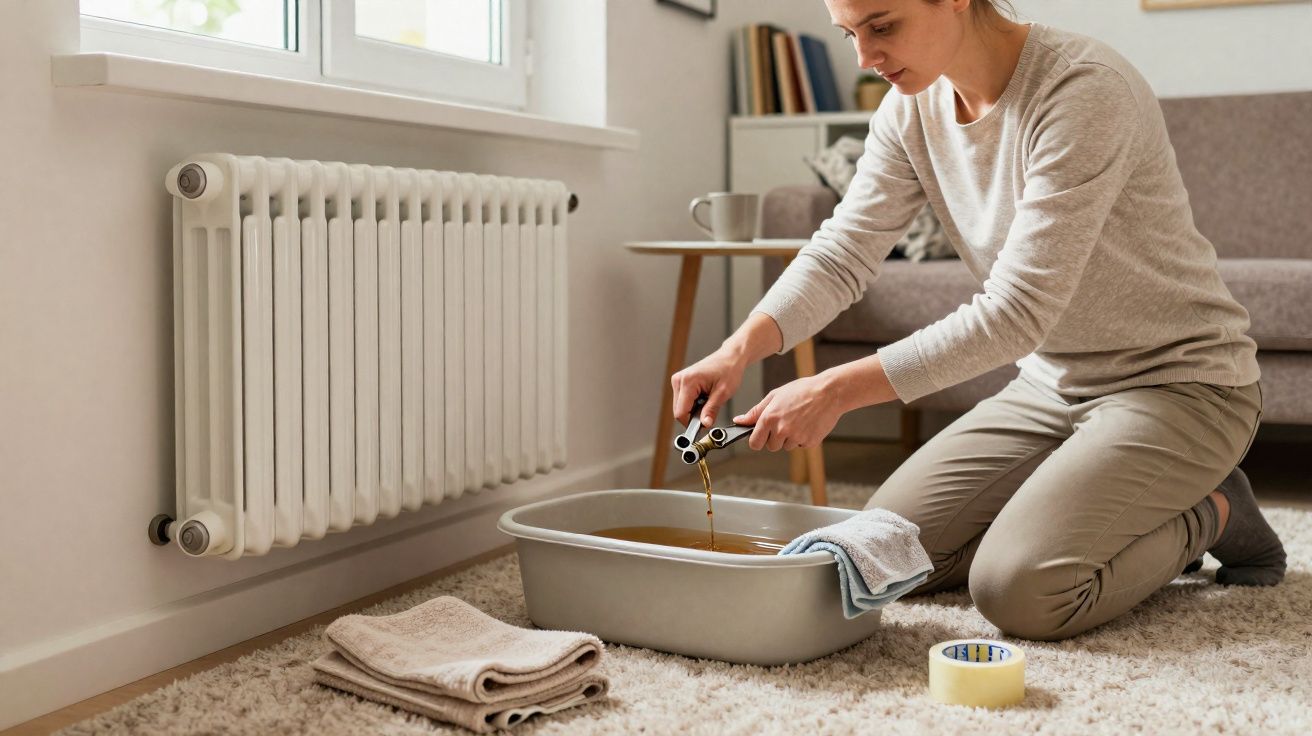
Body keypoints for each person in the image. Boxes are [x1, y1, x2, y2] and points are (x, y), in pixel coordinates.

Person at [670, 0, 1286, 641]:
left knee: (1019, 591)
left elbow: (1015, 312)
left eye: (882, 26)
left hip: (1180, 383)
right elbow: (842, 252)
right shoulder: (910, 108)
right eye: (850, 33)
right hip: (1049, 385)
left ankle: (1208, 510)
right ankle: (1087, 501)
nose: (865, 57)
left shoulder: (1083, 88)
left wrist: (833, 390)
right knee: (881, 552)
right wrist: (736, 350)